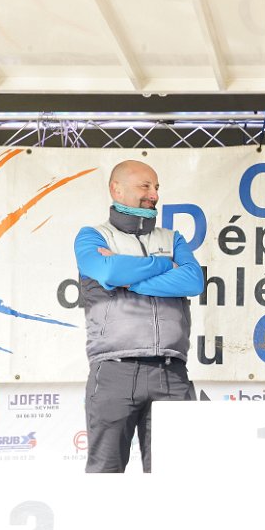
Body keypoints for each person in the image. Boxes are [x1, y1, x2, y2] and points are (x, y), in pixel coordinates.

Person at [74, 159, 204, 473]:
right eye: (145, 186)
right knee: (106, 473)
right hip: (114, 370)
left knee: (175, 475)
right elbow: (108, 271)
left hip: (171, 372)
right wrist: (164, 265)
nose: (154, 194)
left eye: (156, 187)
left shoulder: (172, 238)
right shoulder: (92, 236)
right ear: (116, 189)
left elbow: (193, 280)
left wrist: (128, 280)